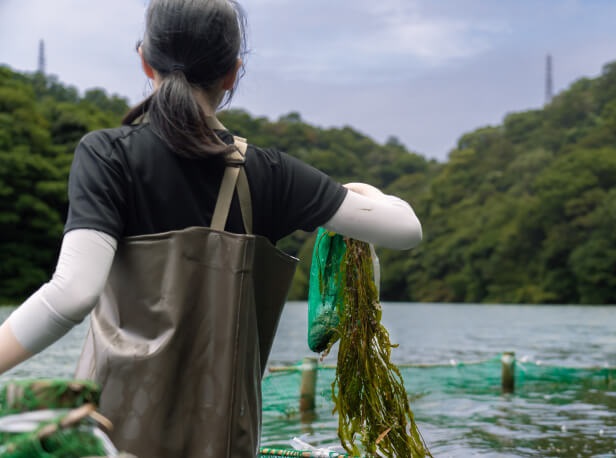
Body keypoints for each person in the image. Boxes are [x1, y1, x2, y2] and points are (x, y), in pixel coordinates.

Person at [0, 0, 422, 456]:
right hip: (223, 440)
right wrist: (363, 193)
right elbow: (405, 230)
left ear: (145, 59)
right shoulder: (270, 173)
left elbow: (71, 294)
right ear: (232, 73)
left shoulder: (107, 154)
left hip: (110, 433)